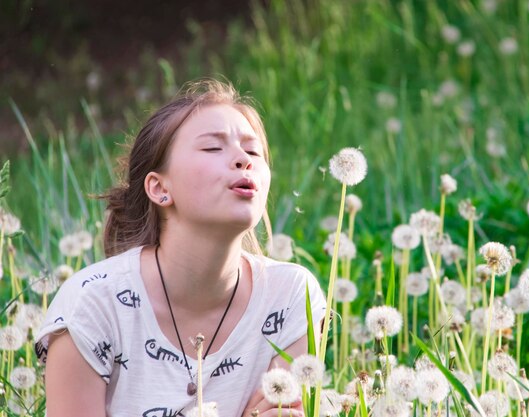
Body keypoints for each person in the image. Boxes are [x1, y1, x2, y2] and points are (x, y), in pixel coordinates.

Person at [35, 79, 326, 417]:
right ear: (159, 189)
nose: (243, 160)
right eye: (213, 148)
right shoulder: (91, 308)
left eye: (253, 151)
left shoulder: (291, 298)